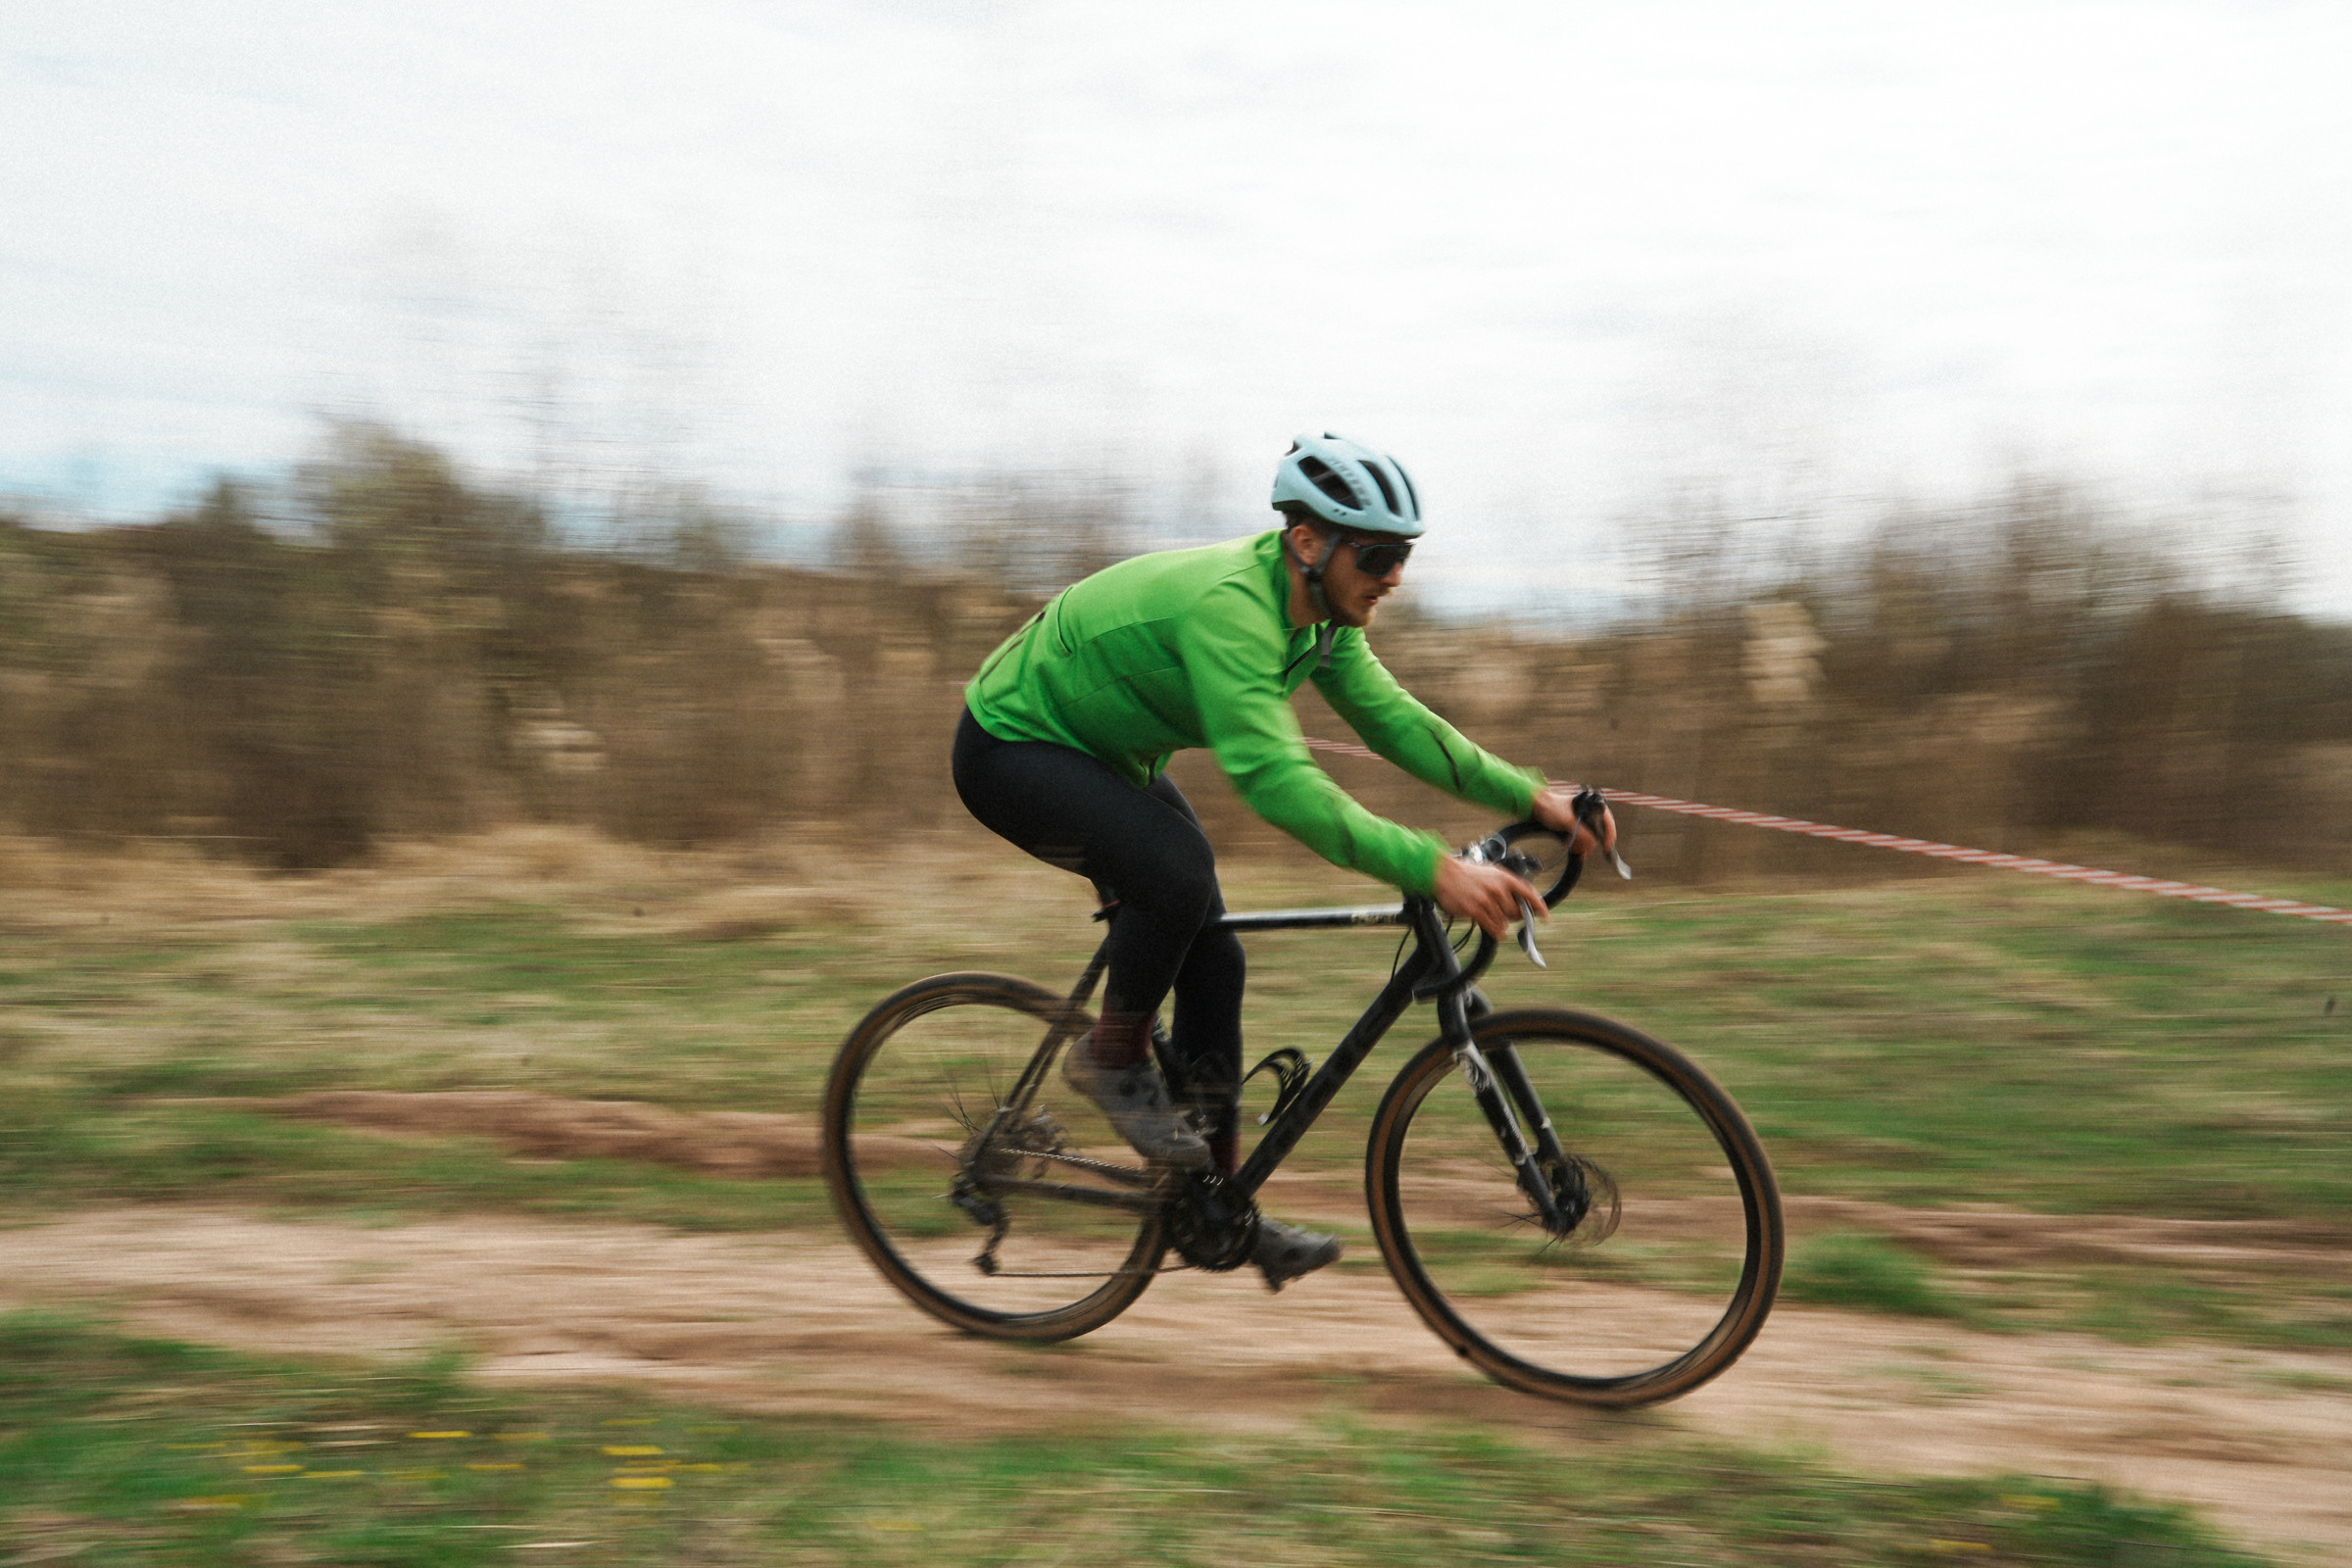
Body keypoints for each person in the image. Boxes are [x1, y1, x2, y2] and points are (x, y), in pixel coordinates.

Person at [952, 431, 1616, 1290]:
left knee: (1215, 955)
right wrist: (1432, 869)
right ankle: (1110, 1058)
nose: (1395, 577)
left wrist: (1532, 798)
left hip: (1101, 756)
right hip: (1012, 746)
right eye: (1377, 555)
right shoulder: (1235, 610)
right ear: (1310, 542)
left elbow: (1398, 724)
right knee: (1178, 874)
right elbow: (1277, 783)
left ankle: (1215, 1208)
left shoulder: (1318, 620)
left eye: (1403, 556)